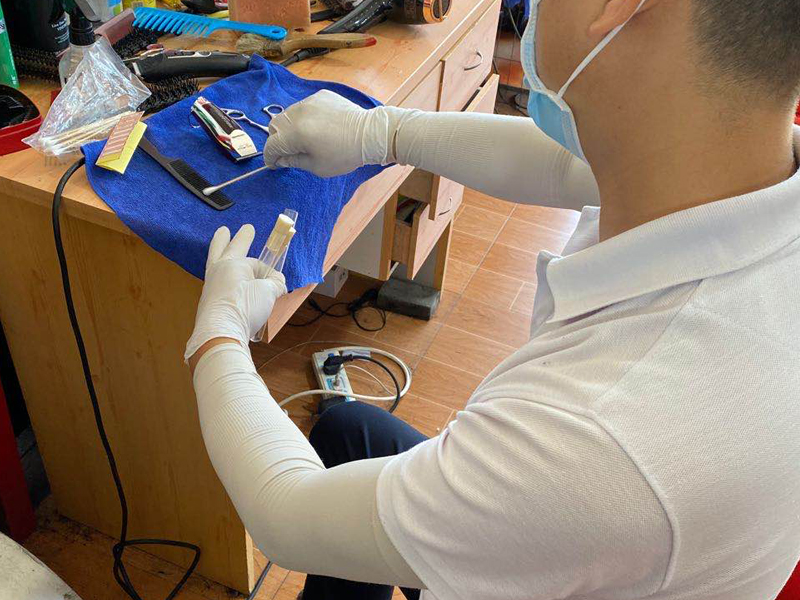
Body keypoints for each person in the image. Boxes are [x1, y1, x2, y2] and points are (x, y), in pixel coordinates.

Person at [184, 1, 800, 599]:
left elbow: (288, 517)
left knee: (329, 491)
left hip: (558, 529)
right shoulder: (728, 165)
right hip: (587, 548)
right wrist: (382, 131)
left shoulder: (598, 440)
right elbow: (565, 166)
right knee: (348, 431)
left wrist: (218, 333)